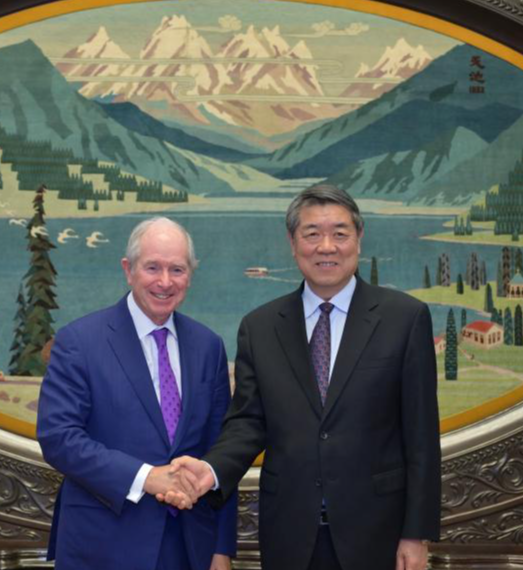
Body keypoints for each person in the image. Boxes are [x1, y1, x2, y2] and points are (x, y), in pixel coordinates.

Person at [165, 185, 441, 570]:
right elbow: (247, 423)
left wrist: (416, 533)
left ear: (359, 240)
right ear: (293, 243)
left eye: (340, 234)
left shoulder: (404, 319)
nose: (326, 246)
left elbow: (421, 436)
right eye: (312, 234)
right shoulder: (260, 328)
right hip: (290, 534)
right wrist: (209, 470)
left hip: (379, 532)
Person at [37, 217, 236, 570]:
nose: (164, 281)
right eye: (152, 268)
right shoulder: (79, 342)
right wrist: (147, 476)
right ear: (128, 270)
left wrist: (221, 549)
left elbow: (222, 450)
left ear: (190, 274)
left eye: (177, 269)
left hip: (190, 547)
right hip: (103, 545)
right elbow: (59, 438)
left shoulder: (209, 347)